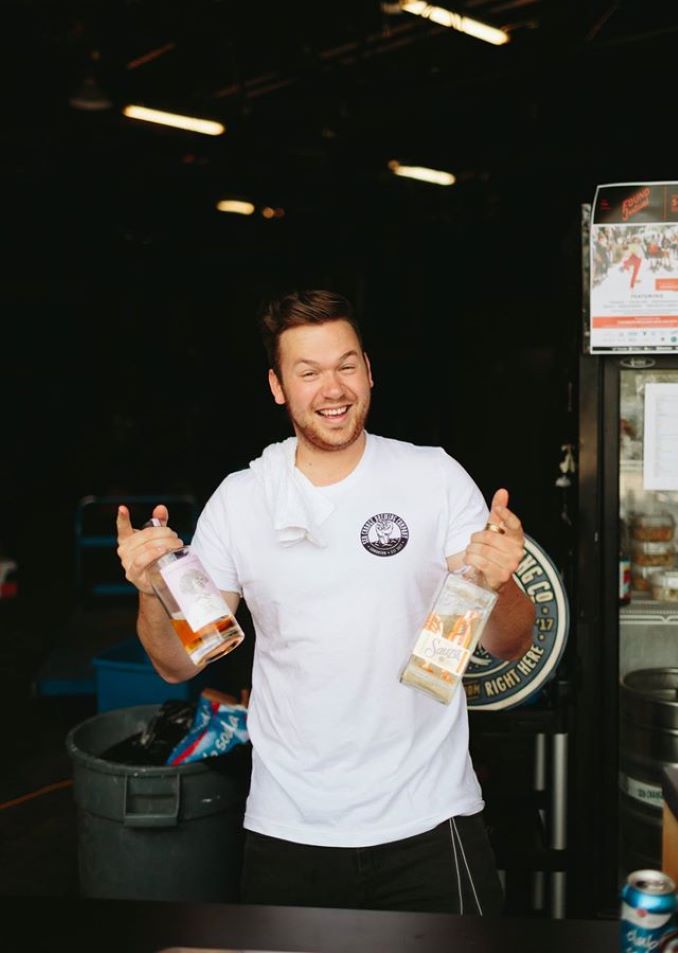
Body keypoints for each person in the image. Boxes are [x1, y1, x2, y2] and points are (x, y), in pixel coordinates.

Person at [116, 288, 535, 915]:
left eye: (345, 365)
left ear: (368, 370)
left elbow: (510, 641)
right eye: (307, 372)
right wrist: (154, 592)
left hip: (431, 813)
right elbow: (179, 664)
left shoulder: (433, 477)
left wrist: (500, 583)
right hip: (291, 826)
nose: (331, 388)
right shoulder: (243, 499)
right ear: (278, 386)